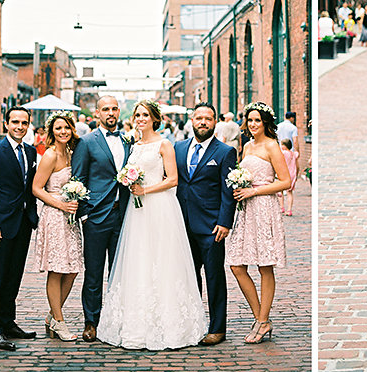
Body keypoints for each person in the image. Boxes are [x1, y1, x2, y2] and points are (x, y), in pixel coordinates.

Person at [97, 100, 206, 349]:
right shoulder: (133, 146)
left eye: (145, 114)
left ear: (154, 118)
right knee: (139, 260)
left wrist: (145, 189)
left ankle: (169, 325)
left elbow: (173, 179)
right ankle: (137, 325)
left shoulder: (164, 144)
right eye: (137, 115)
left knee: (163, 261)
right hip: (138, 212)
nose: (140, 118)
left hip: (160, 207)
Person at [0, 106, 39, 351]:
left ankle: (8, 323)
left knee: (13, 277)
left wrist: (32, 218)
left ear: (28, 125)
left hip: (22, 225)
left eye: (24, 122)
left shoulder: (30, 151)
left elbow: (28, 188)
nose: (19, 126)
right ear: (6, 124)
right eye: (15, 122)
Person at [174, 103, 238, 346]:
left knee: (214, 278)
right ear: (192, 119)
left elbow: (228, 191)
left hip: (211, 227)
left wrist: (224, 222)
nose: (203, 122)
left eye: (208, 118)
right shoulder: (178, 148)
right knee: (188, 278)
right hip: (181, 225)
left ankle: (217, 328)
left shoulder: (224, 152)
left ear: (215, 122)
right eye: (199, 117)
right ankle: (192, 324)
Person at [226, 102, 291, 343]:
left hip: (264, 208)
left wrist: (254, 192)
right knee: (236, 265)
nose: (253, 125)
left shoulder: (272, 146)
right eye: (250, 120)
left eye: (257, 121)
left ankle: (262, 322)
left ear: (265, 123)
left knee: (265, 266)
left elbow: (286, 182)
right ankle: (261, 319)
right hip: (246, 210)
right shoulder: (247, 145)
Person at [71, 95, 133, 343]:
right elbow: (78, 179)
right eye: (106, 109)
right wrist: (85, 213)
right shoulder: (87, 142)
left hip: (125, 215)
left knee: (120, 271)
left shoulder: (128, 141)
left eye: (114, 109)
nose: (111, 113)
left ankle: (117, 319)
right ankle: (91, 322)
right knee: (94, 272)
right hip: (96, 217)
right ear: (97, 113)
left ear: (119, 112)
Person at [32, 112, 83, 341]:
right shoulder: (50, 155)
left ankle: (52, 316)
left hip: (70, 220)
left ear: (72, 129)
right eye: (58, 128)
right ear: (51, 131)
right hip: (54, 216)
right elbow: (37, 188)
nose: (62, 131)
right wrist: (61, 204)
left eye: (66, 128)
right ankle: (60, 322)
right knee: (57, 269)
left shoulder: (71, 153)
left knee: (72, 270)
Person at [278, 138, 298, 216]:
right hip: (292, 174)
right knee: (290, 192)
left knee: (280, 191)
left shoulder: (283, 153)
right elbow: (297, 165)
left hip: (284, 174)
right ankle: (289, 210)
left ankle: (281, 207)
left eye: (282, 145)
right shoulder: (294, 154)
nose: (281, 146)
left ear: (285, 146)